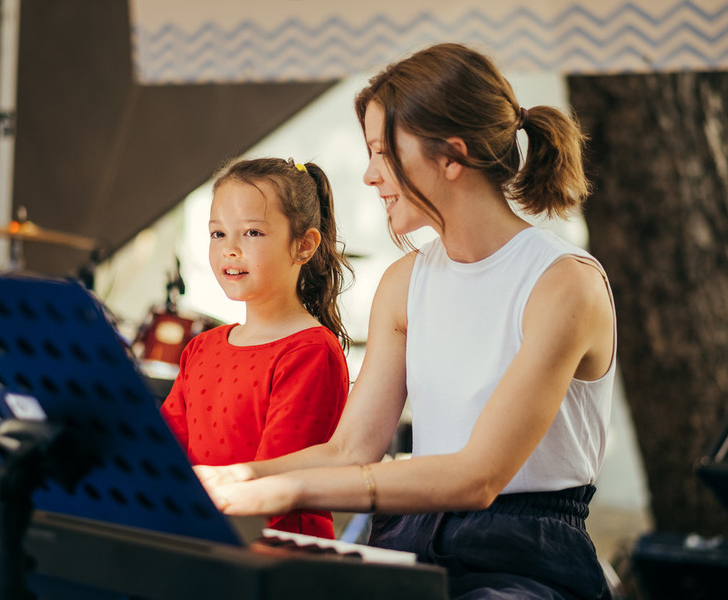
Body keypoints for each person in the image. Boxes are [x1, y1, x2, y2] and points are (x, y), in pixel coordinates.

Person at [196, 43, 616, 599]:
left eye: (382, 151)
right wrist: (237, 476)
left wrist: (286, 491)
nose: (369, 176)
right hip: (409, 531)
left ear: (451, 156)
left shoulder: (565, 283)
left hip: (524, 556)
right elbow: (350, 451)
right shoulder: (403, 282)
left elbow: (478, 476)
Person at [160, 157, 352, 540]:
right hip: (206, 536)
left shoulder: (310, 351)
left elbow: (274, 490)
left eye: (252, 232)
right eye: (218, 233)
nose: (230, 249)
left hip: (276, 551)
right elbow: (164, 452)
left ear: (304, 245)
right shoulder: (201, 348)